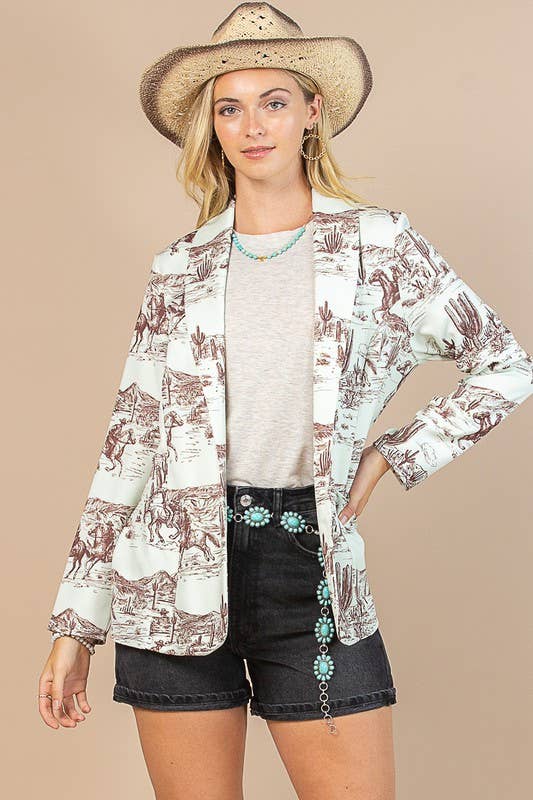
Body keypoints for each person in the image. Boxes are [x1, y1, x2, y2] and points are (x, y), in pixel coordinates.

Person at [38, 4, 532, 798]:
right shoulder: (180, 267)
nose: (252, 126)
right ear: (211, 127)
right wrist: (76, 624)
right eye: (229, 108)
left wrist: (390, 456)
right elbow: (130, 447)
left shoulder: (378, 245)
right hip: (169, 571)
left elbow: (503, 366)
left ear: (311, 111)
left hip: (309, 568)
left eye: (273, 102)